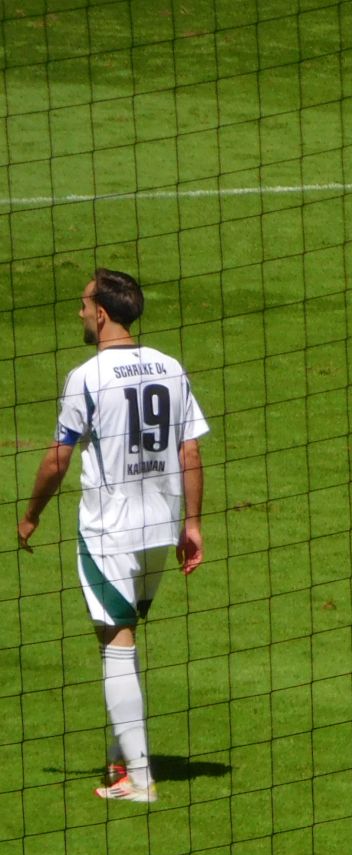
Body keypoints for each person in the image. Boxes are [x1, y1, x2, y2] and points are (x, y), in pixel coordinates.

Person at [16, 269, 208, 804]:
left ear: (101, 313)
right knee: (123, 635)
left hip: (110, 531)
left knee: (115, 641)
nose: (79, 313)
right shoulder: (170, 367)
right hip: (161, 527)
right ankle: (124, 759)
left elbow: (58, 458)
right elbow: (190, 452)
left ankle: (139, 780)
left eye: (83, 305)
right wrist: (192, 524)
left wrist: (30, 514)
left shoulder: (88, 375)